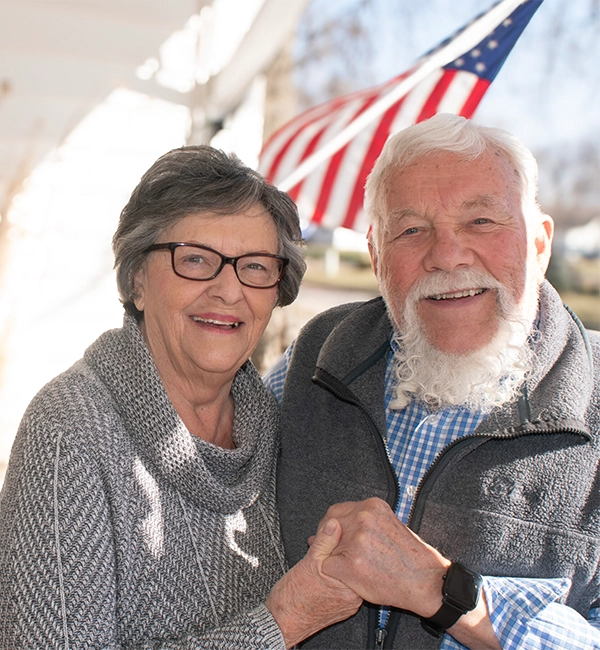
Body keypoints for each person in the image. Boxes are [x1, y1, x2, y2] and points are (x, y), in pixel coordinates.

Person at [0, 145, 361, 649]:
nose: (229, 291)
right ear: (137, 280)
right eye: (195, 259)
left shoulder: (278, 431)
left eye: (255, 267)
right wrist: (279, 624)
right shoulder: (69, 433)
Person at [265, 113, 600, 649]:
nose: (446, 255)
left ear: (539, 243)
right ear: (376, 255)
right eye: (412, 230)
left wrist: (441, 591)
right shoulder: (319, 354)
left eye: (482, 222)